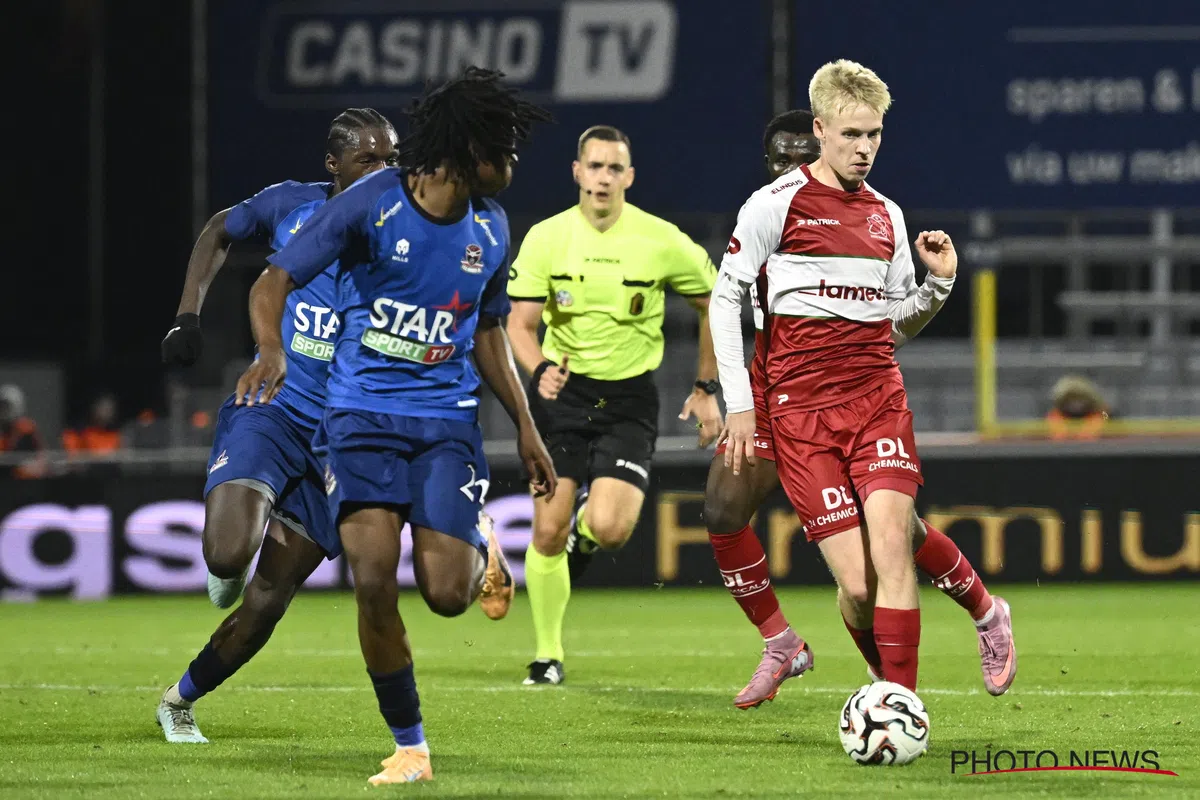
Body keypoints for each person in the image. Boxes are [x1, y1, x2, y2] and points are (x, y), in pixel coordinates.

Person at [154, 108, 517, 747]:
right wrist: (189, 315)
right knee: (226, 553)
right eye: (367, 159)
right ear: (333, 164)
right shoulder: (291, 207)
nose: (382, 170)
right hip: (274, 408)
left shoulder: (402, 222)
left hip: (345, 435)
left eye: (390, 159)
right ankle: (229, 555)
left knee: (269, 598)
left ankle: (179, 699)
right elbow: (220, 232)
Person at [234, 67, 556, 785]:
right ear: (468, 148)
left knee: (446, 596)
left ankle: (479, 542)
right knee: (374, 583)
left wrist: (526, 427)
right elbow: (273, 279)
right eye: (503, 148)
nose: (512, 163)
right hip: (359, 419)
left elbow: (488, 332)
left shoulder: (492, 227)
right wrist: (271, 350)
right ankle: (411, 746)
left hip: (445, 424)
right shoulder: (374, 202)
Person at [710, 61, 1016, 694]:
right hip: (798, 410)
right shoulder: (774, 205)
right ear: (821, 130)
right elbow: (723, 299)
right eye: (852, 134)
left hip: (875, 397)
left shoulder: (887, 216)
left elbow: (892, 324)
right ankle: (887, 659)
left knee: (893, 545)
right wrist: (738, 404)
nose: (865, 148)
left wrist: (938, 285)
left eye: (874, 134)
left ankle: (903, 704)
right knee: (856, 586)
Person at [506, 125, 723, 686]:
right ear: (577, 172)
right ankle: (547, 656)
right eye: (595, 166)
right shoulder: (547, 238)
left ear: (629, 176)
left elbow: (716, 304)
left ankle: (585, 529)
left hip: (628, 398)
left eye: (614, 168)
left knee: (610, 529)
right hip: (562, 396)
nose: (603, 177)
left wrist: (707, 388)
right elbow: (519, 324)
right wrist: (539, 369)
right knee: (547, 531)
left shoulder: (661, 240)